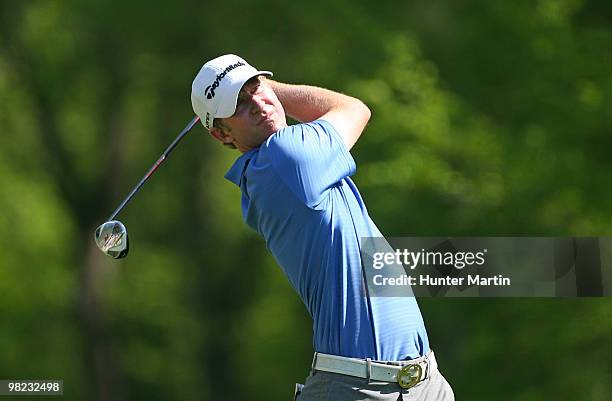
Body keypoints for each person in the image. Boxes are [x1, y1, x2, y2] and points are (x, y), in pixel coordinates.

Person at [191, 54, 455, 401]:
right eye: (239, 104)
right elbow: (355, 109)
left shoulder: (273, 168)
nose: (257, 103)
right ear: (220, 133)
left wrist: (259, 91)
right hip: (359, 390)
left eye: (256, 88)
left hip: (424, 385)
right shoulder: (284, 157)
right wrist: (275, 88)